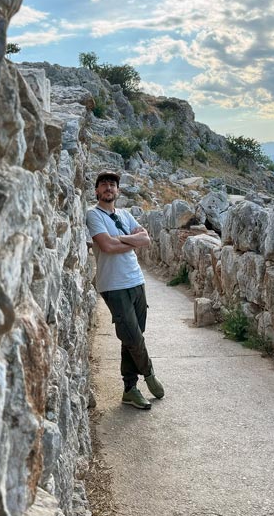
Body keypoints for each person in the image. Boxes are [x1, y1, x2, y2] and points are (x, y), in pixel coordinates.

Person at [86, 170, 165, 410]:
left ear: (118, 191)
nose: (108, 188)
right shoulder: (92, 214)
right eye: (104, 185)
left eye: (112, 184)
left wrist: (119, 239)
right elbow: (107, 246)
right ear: (97, 190)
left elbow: (146, 239)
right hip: (114, 285)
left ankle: (129, 389)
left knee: (132, 338)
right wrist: (129, 240)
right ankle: (149, 373)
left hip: (136, 281)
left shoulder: (124, 214)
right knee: (133, 337)